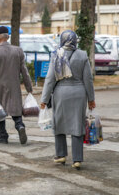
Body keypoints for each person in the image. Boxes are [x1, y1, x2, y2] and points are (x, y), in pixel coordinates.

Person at [40, 30, 95, 170]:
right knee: (77, 125)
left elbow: (50, 79)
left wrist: (44, 99)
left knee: (59, 123)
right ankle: (77, 159)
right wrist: (91, 99)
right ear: (75, 40)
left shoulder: (56, 54)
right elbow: (88, 79)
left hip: (61, 94)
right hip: (79, 93)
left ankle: (61, 155)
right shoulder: (82, 55)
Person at [0, 26, 33, 144]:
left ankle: (3, 136)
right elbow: (24, 71)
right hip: (14, 86)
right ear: (7, 37)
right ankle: (20, 126)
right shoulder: (18, 50)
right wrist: (29, 87)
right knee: (15, 109)